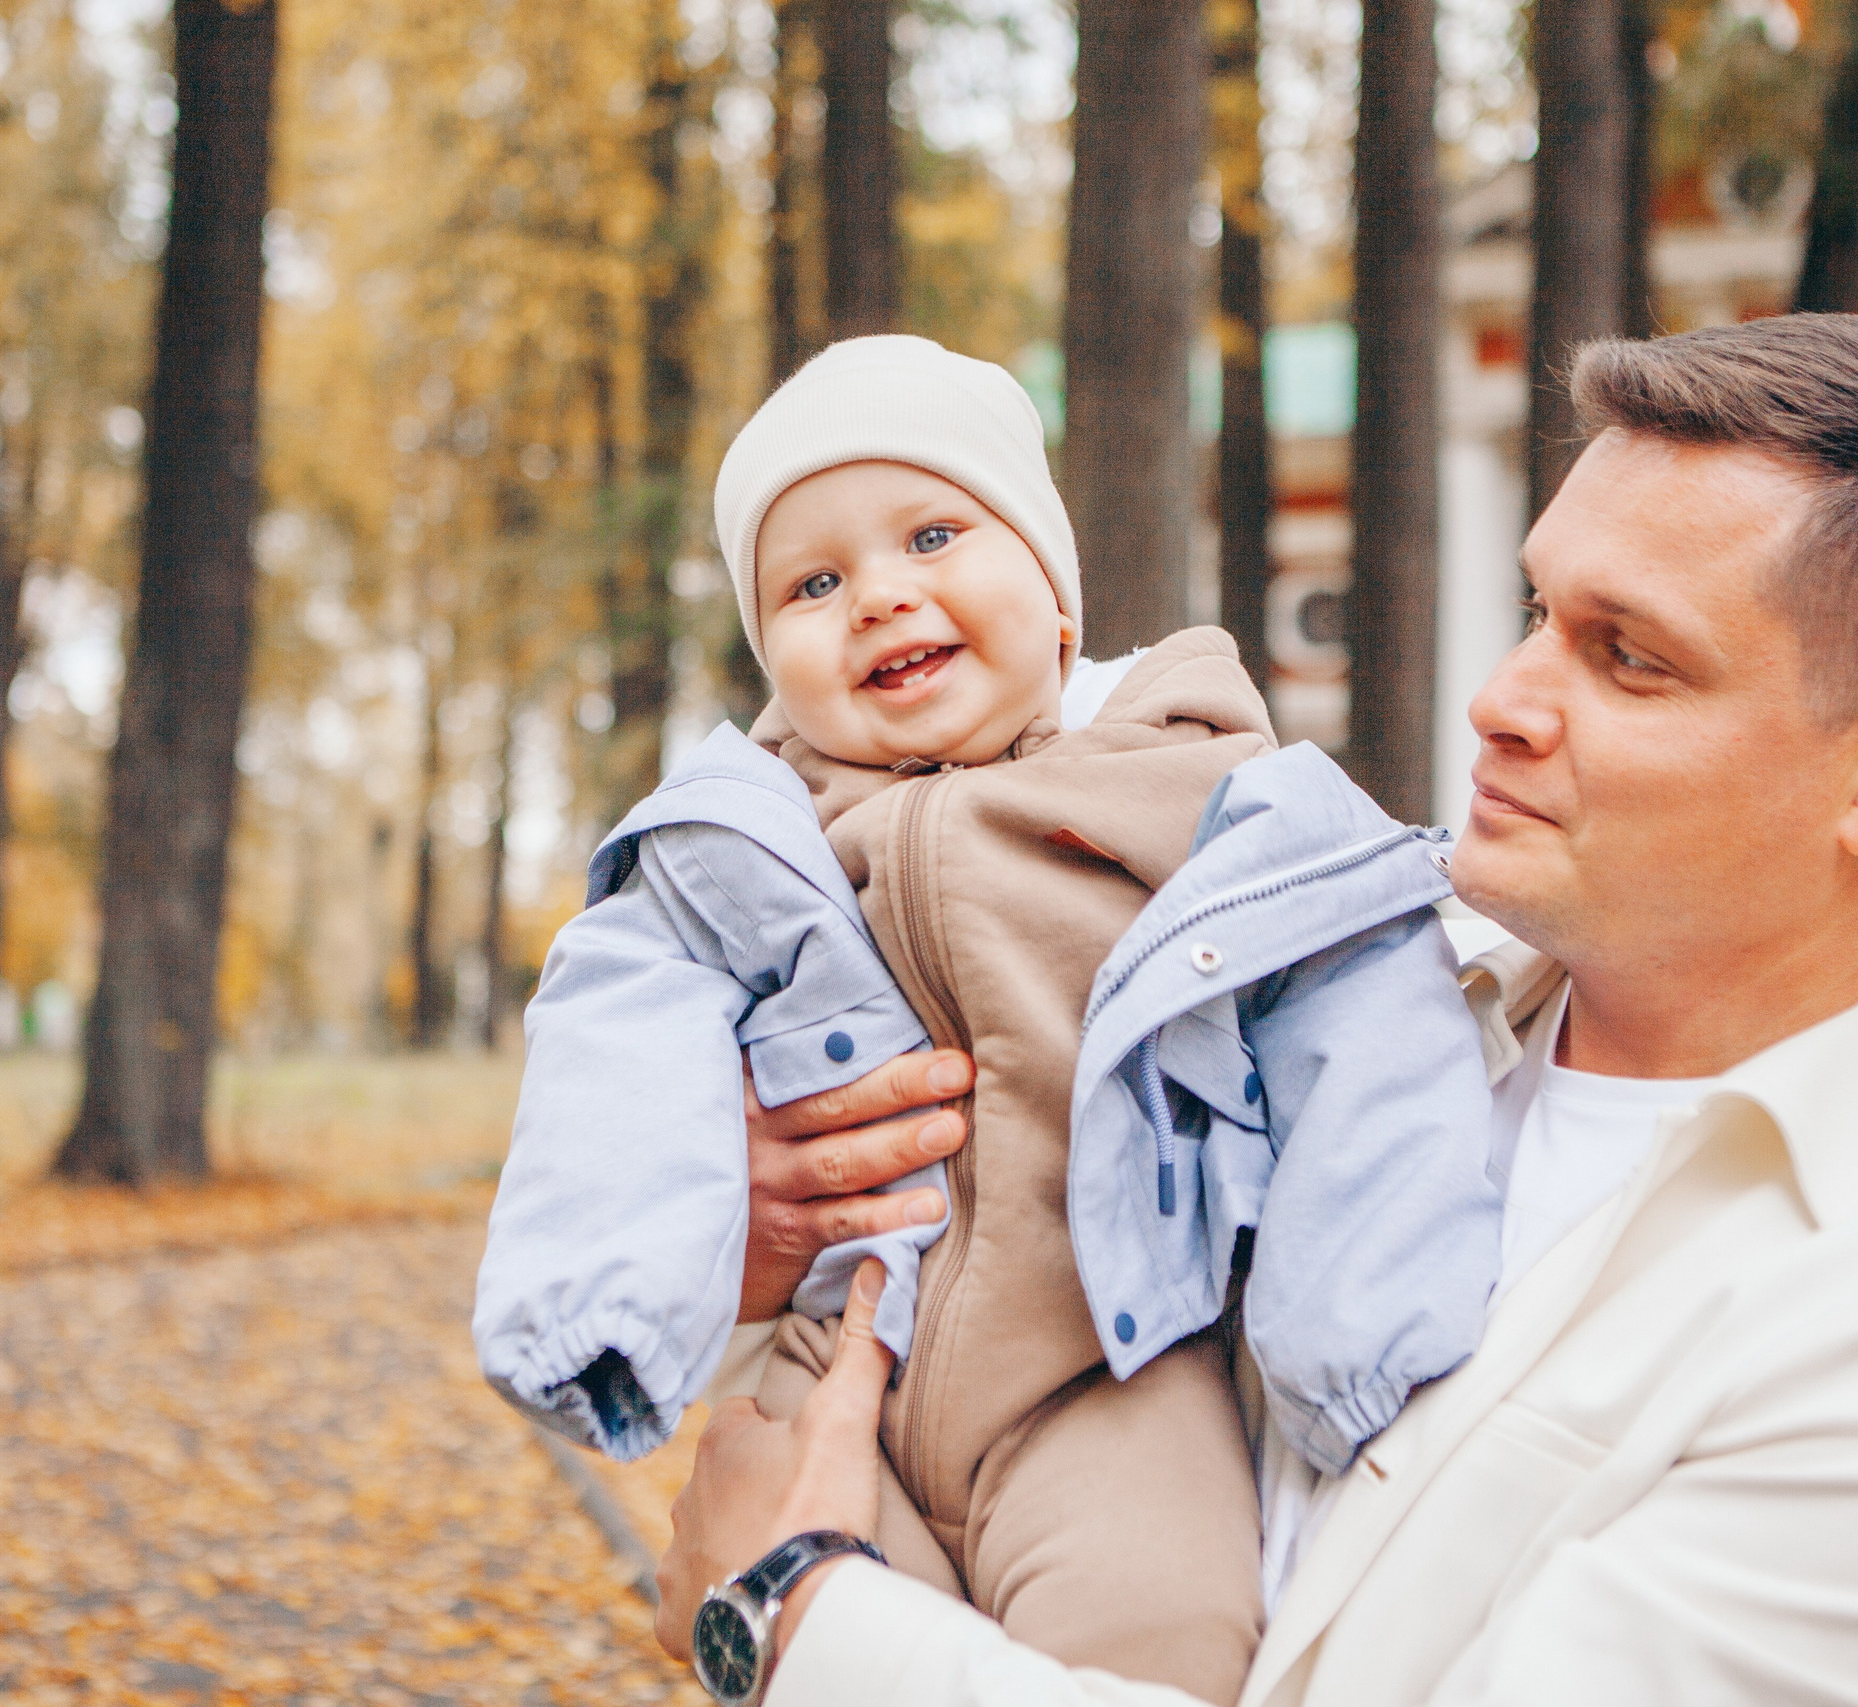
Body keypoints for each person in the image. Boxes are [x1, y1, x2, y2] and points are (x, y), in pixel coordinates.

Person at [653, 315, 1858, 1707]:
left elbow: (778, 1546)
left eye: (1630, 658)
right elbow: (954, 1327)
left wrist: (799, 1623)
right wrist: (766, 1240)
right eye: (1538, 611)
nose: (1502, 699)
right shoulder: (1301, 974)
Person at [475, 336, 1506, 1704]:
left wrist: (1360, 1333)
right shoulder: (742, 842)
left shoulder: (1195, 787)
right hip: (838, 1365)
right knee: (819, 1659)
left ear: (1057, 598)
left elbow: (1358, 992)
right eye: (813, 583)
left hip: (1105, 1370)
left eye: (933, 535)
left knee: (1165, 1629)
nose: (879, 595)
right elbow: (616, 1043)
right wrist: (603, 1301)